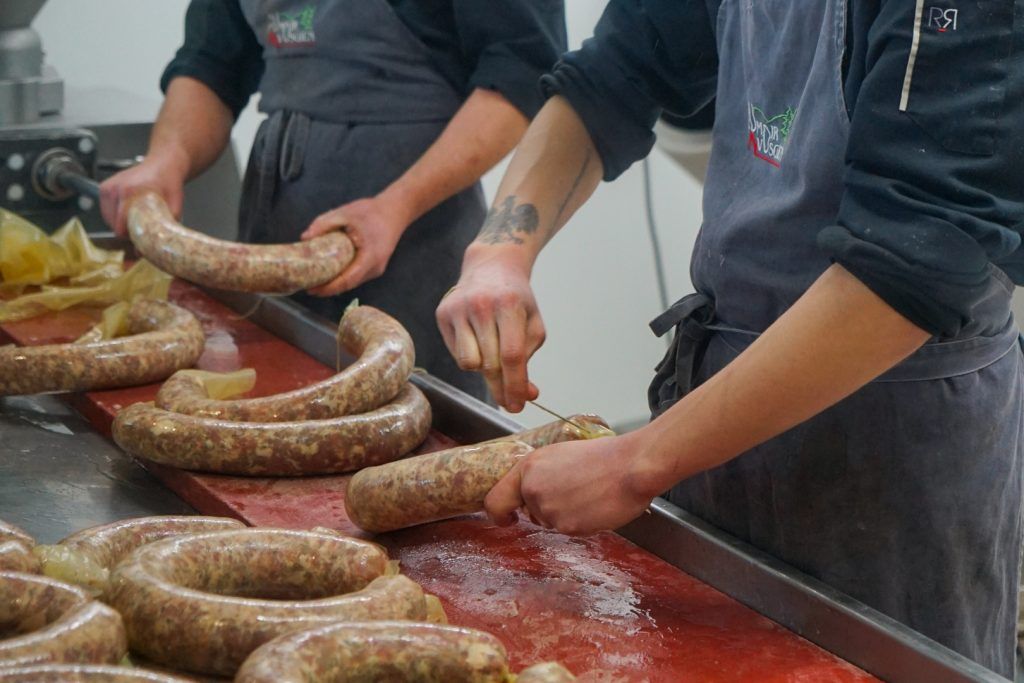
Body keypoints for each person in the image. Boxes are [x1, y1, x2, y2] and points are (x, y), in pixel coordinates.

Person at [436, 0, 1024, 675]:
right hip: (711, 421)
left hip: (889, 449)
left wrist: (639, 462)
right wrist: (499, 253)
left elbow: (913, 265)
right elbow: (614, 73)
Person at [100, 0, 567, 399]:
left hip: (414, 237)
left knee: (411, 423)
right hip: (274, 225)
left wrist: (396, 205)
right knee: (270, 404)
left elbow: (520, 77)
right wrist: (168, 158)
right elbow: (212, 64)